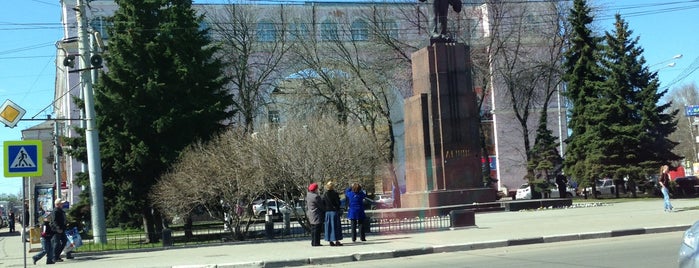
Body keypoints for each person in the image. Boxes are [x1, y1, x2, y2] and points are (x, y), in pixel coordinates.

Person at [323, 181, 343, 246]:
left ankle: (330, 241)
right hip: (334, 212)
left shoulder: (325, 194)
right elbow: (338, 203)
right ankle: (337, 240)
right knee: (336, 226)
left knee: (329, 227)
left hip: (328, 212)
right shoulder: (335, 194)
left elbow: (323, 203)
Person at [305, 182, 324, 247]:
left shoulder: (308, 195)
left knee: (313, 228)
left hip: (310, 213)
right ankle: (316, 242)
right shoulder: (316, 197)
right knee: (317, 229)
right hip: (316, 214)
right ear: (315, 189)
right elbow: (321, 206)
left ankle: (313, 241)